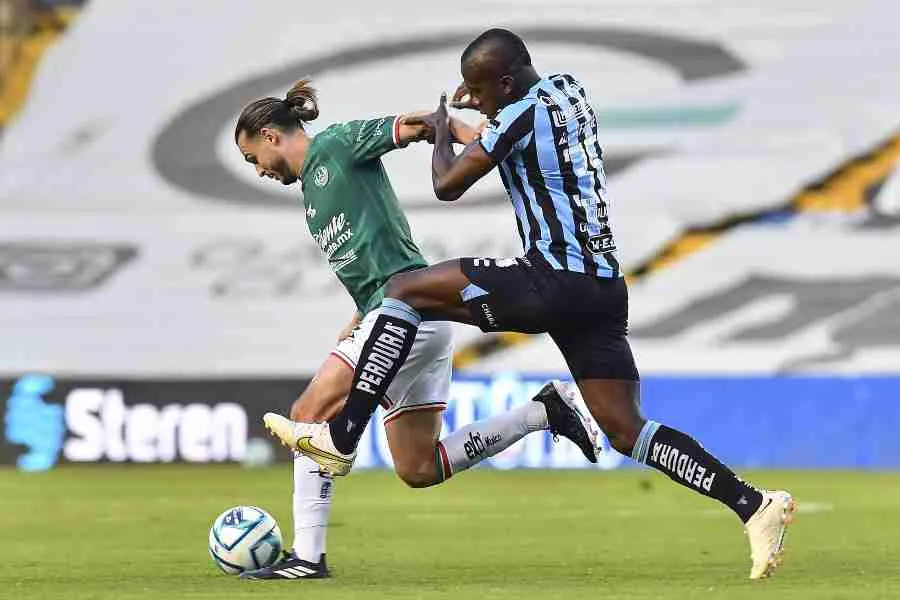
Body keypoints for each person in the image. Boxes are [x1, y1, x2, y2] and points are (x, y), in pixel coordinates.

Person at [271, 31, 797, 581]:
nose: (478, 100)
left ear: (503, 83)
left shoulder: (516, 114)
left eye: (481, 90)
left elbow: (447, 184)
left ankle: (342, 434)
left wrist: (445, 116)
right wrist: (486, 103)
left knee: (404, 290)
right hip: (601, 289)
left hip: (550, 279)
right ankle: (753, 505)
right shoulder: (570, 92)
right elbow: (519, 113)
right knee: (625, 428)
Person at [232, 78, 600, 580]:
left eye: (254, 157)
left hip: (407, 319)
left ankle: (306, 558)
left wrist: (467, 134)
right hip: (412, 322)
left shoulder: (337, 145)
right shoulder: (313, 193)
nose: (259, 170)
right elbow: (383, 258)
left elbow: (419, 125)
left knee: (308, 413)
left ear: (271, 136)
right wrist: (361, 314)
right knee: (419, 467)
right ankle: (543, 412)